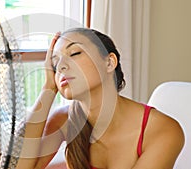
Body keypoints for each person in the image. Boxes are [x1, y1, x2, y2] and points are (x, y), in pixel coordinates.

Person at [13, 28, 184, 169]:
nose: (62, 66)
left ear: (109, 62)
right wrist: (48, 88)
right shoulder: (63, 121)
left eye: (74, 53)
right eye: (56, 64)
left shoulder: (163, 130)